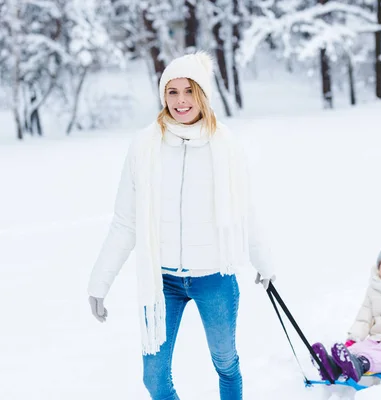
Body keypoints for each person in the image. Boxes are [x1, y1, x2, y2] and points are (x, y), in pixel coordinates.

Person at [87, 51, 275, 400]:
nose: (181, 100)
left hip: (215, 277)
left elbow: (244, 212)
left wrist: (265, 264)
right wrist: (99, 282)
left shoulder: (227, 145)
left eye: (189, 90)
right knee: (154, 378)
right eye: (172, 92)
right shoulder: (145, 146)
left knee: (225, 363)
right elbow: (125, 222)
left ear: (202, 93)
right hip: (161, 281)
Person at [311, 231, 381, 382]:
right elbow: (364, 318)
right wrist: (353, 339)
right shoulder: (374, 290)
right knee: (357, 349)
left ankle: (359, 365)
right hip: (376, 340)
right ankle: (332, 367)